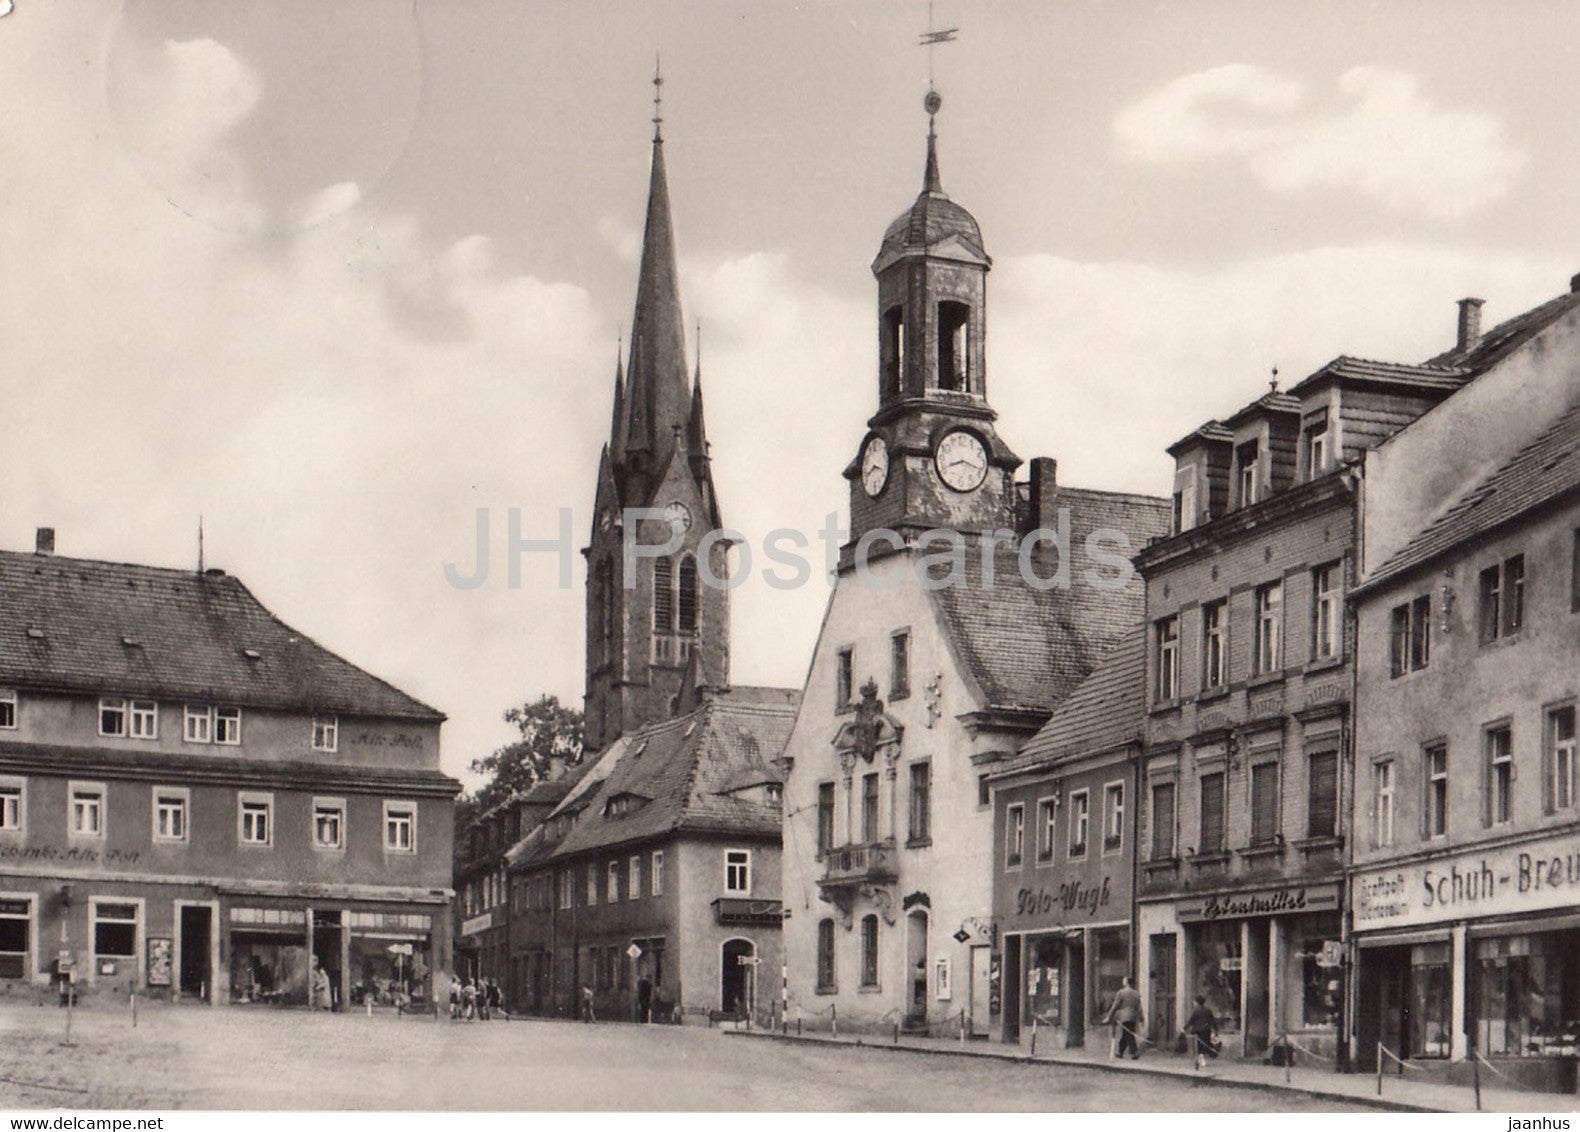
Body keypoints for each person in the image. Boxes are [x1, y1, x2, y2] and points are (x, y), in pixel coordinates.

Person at [1104, 976, 1144, 1059]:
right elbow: (1139, 1007)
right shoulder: (1136, 993)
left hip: (1124, 1016)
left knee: (1128, 1034)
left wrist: (1109, 1017)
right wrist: (1141, 1017)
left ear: (1126, 983)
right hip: (1133, 1016)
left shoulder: (1121, 993)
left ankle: (1134, 1052)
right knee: (1127, 1034)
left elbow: (1115, 1006)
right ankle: (1121, 1052)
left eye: (1124, 981)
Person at [1184, 994, 1220, 1069]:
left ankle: (1202, 1060)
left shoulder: (1196, 1012)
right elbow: (1212, 1021)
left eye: (1194, 1001)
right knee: (1205, 1044)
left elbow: (1191, 1021)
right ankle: (1203, 1059)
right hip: (1207, 1030)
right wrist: (1216, 1030)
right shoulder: (1208, 1010)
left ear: (1197, 1002)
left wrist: (1184, 1029)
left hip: (1198, 1032)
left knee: (1199, 1047)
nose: (1193, 1003)